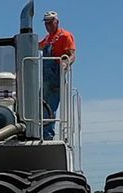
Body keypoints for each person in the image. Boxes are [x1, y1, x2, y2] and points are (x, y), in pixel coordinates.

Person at [39, 11, 76, 140]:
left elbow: (72, 55)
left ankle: (47, 135)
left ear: (57, 22)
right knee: (41, 105)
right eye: (46, 23)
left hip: (55, 78)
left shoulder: (65, 36)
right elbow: (38, 46)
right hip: (44, 79)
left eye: (50, 22)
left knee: (49, 107)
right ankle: (39, 132)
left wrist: (66, 63)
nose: (48, 25)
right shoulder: (47, 39)